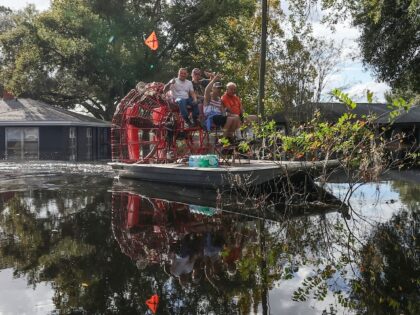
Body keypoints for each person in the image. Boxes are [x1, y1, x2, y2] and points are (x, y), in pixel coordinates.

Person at [203, 74, 241, 139]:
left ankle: (231, 136)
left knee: (236, 117)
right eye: (218, 88)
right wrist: (214, 79)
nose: (219, 90)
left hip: (219, 116)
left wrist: (227, 114)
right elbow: (206, 90)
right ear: (213, 88)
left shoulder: (219, 100)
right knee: (229, 119)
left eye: (220, 89)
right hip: (212, 117)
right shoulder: (208, 98)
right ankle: (224, 139)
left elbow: (223, 112)